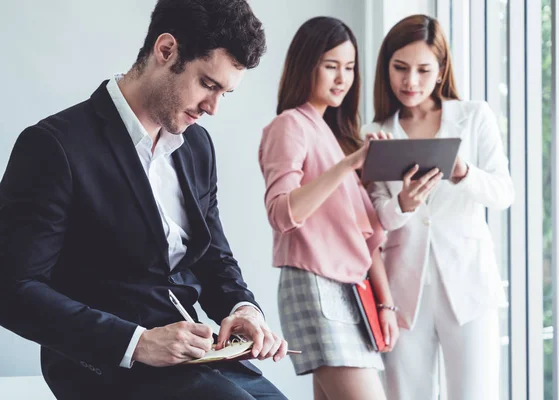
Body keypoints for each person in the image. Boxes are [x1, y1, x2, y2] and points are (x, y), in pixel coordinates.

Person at [0, 1, 289, 399]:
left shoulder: (197, 146)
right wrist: (137, 343)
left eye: (225, 93)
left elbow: (211, 256)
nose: (213, 108)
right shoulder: (55, 146)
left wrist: (243, 310)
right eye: (208, 84)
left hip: (196, 356)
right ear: (166, 50)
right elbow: (13, 289)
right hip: (104, 365)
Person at [361, 14, 515, 400]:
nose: (410, 81)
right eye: (400, 68)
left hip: (469, 284)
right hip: (403, 292)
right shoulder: (375, 132)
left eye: (423, 70)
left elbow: (503, 193)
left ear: (441, 69)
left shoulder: (473, 117)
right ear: (387, 68)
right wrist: (404, 203)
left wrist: (464, 172)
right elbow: (378, 217)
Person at [259, 16, 400, 400]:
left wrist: (385, 302)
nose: (342, 78)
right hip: (315, 285)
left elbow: (365, 235)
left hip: (352, 290)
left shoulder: (337, 138)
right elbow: (281, 212)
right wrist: (348, 165)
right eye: (331, 65)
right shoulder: (290, 126)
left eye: (350, 68)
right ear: (307, 64)